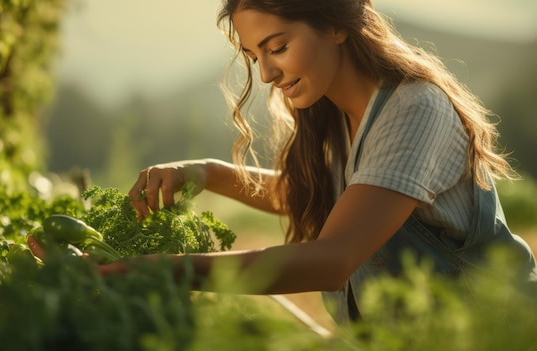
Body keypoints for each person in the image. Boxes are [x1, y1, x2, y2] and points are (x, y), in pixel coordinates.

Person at [30, 0, 537, 323]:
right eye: (255, 56)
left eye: (278, 47)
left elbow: (333, 257)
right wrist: (205, 172)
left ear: (337, 25)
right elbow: (320, 198)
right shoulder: (333, 114)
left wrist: (159, 270)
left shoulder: (414, 110)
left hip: (491, 331)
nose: (267, 73)